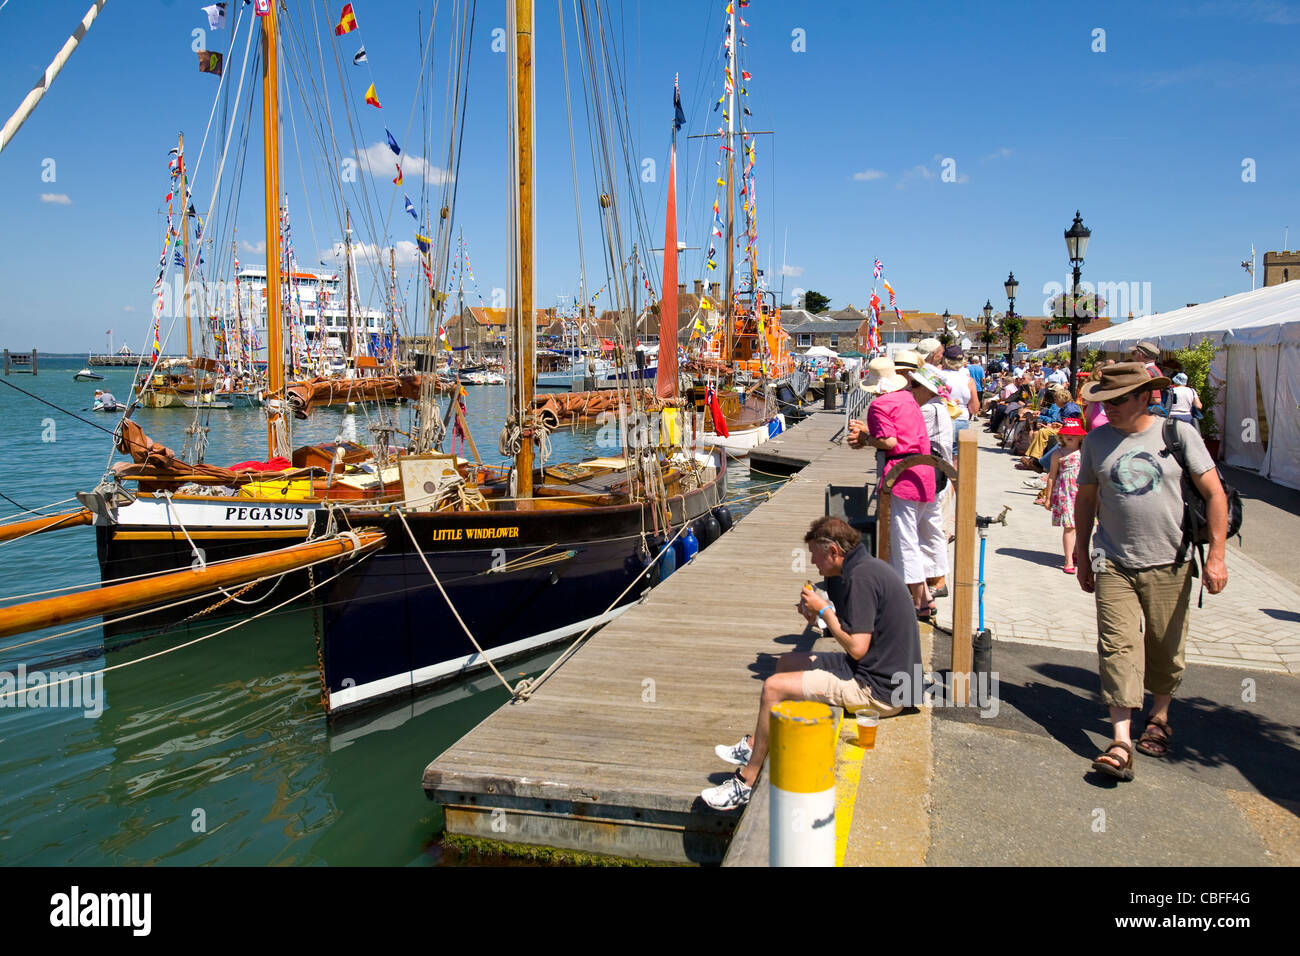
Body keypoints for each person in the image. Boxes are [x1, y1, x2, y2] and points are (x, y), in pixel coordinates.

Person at [702, 517, 923, 810]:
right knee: (786, 663)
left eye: (815, 556)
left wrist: (826, 611)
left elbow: (857, 647)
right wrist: (817, 616)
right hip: (881, 674)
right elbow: (858, 629)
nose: (813, 563)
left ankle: (745, 781)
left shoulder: (861, 578)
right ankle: (756, 745)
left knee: (772, 688)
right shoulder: (862, 568)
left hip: (877, 690)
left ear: (832, 551)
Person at [1074, 363, 1228, 781]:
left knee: (1164, 645)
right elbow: (1086, 500)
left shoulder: (1177, 435)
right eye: (1105, 400)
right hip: (1113, 560)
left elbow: (1215, 493)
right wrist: (1082, 552)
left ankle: (1159, 717)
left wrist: (1217, 554)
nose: (1110, 408)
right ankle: (1121, 740)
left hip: (1170, 559)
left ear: (1146, 396)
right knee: (1118, 645)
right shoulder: (1096, 441)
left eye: (1119, 399)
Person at [1044, 418, 1086, 573]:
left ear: (1081, 437)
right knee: (1070, 527)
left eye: (1074, 434)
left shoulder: (1084, 452)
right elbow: (1051, 476)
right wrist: (1048, 497)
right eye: (1067, 433)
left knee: (1082, 526)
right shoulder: (1058, 454)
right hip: (1065, 493)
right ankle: (1068, 560)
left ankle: (1076, 553)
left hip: (1082, 493)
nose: (1070, 436)